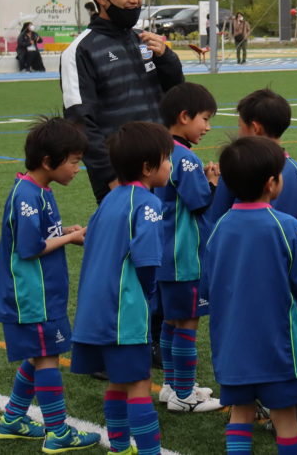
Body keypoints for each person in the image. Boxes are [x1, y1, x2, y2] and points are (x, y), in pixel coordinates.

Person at [0, 117, 100, 453]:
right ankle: (58, 432)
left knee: (37, 355)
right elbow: (29, 248)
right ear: (49, 161)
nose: (77, 169)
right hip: (30, 297)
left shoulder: (40, 190)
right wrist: (70, 240)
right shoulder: (26, 195)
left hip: (42, 294)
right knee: (47, 357)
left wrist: (67, 234)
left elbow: (41, 236)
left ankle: (13, 419)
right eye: (74, 162)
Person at [204, 136, 297, 455]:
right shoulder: (285, 226)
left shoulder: (219, 227)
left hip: (231, 345)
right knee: (285, 418)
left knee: (240, 415)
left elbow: (206, 286)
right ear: (271, 183)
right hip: (277, 346)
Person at [70, 121, 173, 455]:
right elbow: (146, 260)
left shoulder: (110, 200)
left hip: (94, 307)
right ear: (147, 167)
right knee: (139, 384)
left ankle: (118, 446)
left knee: (117, 380)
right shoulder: (148, 204)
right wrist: (147, 294)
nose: (170, 165)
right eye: (167, 158)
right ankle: (147, 451)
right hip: (123, 310)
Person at [61, 0, 184, 204]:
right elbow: (80, 123)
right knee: (131, 242)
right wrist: (110, 177)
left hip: (163, 168)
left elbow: (177, 96)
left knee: (168, 240)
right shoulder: (81, 50)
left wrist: (167, 59)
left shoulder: (145, 40)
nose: (135, 0)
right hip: (122, 177)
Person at [153, 83, 222, 413]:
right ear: (184, 117)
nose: (207, 127)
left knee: (171, 321)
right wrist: (212, 183)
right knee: (187, 324)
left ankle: (171, 384)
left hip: (163, 256)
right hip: (185, 259)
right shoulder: (187, 159)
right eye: (204, 119)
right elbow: (199, 203)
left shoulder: (159, 151)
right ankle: (184, 395)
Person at [205, 88, 297, 232]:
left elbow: (216, 224)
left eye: (240, 126)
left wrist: (213, 185)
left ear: (255, 128)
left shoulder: (236, 167)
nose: (239, 132)